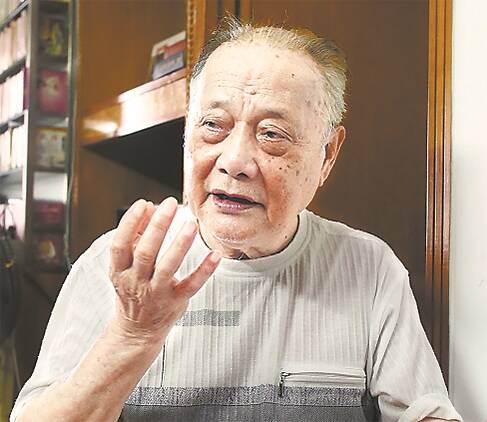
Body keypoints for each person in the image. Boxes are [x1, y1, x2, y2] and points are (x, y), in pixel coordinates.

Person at [11, 18, 462, 422]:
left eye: (272, 134)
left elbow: (425, 411)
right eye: (213, 126)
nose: (234, 161)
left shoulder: (369, 268)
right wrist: (133, 334)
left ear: (327, 155)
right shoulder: (117, 266)